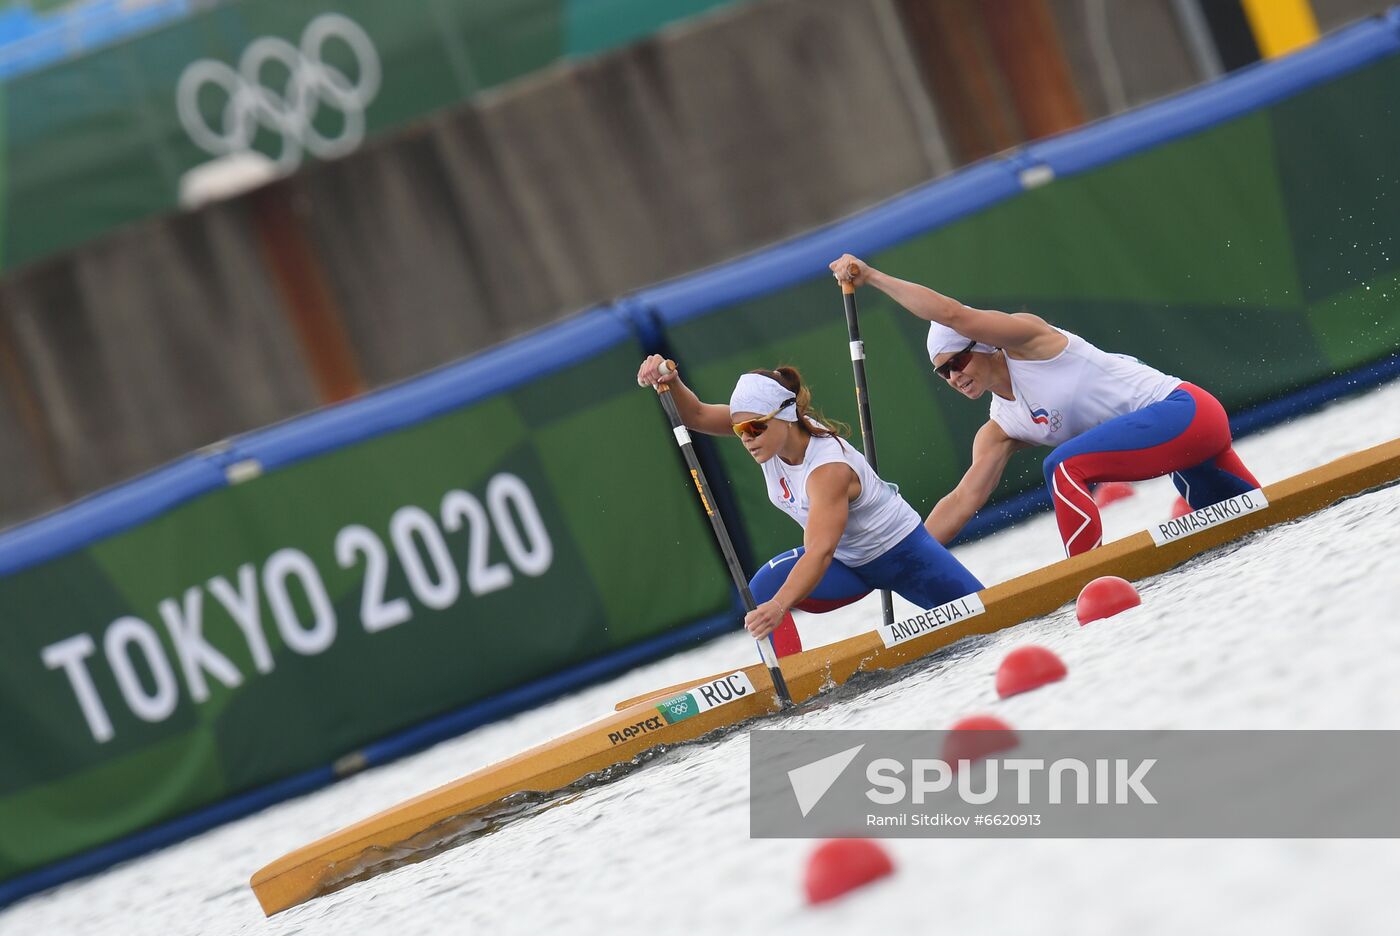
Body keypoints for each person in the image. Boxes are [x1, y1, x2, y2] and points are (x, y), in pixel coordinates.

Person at [829, 254, 1262, 557]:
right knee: (1256, 528)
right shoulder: (999, 429)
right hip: (1184, 454)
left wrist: (873, 277)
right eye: (943, 373)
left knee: (1062, 465)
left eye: (958, 361)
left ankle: (1087, 574)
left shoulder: (1028, 341)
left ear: (984, 346)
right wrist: (905, 556)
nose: (954, 376)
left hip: (1187, 412)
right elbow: (963, 500)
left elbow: (954, 315)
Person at [637, 355, 983, 657]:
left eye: (755, 428)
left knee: (986, 619)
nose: (746, 438)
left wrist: (780, 606)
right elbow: (695, 414)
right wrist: (671, 381)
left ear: (786, 416)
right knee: (760, 590)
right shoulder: (768, 434)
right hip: (848, 568)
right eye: (739, 429)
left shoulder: (828, 470)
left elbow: (818, 552)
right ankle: (790, 685)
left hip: (903, 556)